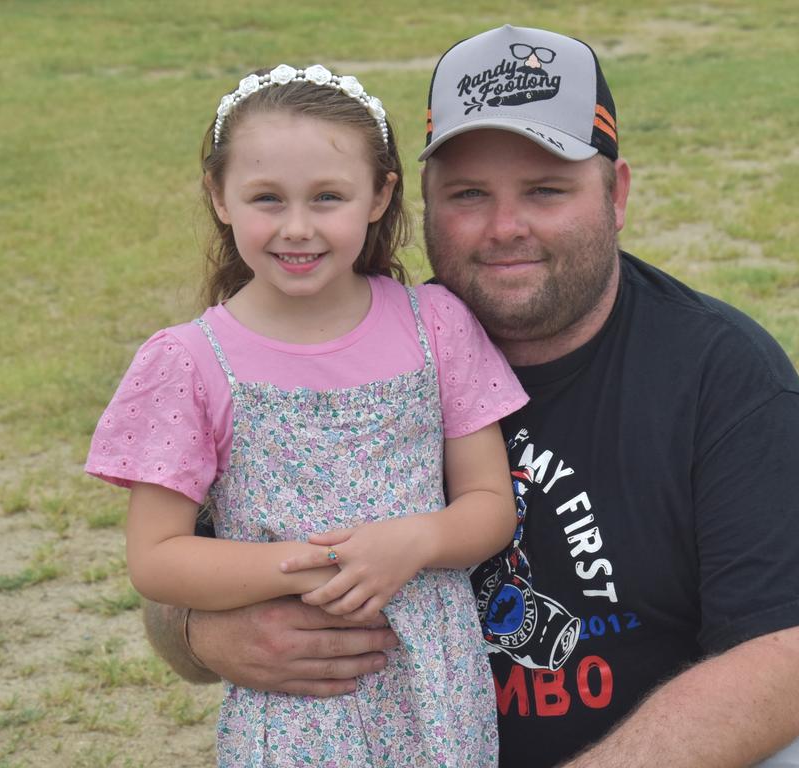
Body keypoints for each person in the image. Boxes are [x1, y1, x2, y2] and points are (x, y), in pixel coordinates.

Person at [143, 25, 799, 768]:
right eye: (469, 194)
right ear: (416, 201)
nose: (505, 228)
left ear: (615, 194)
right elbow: (171, 571)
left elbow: (780, 673)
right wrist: (207, 634)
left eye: (546, 190)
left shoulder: (723, 373)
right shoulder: (354, 355)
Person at [85, 63, 530, 766]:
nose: (297, 228)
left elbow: (489, 505)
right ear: (219, 196)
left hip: (438, 693)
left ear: (380, 195)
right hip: (296, 705)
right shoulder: (188, 362)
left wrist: (413, 542)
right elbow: (157, 559)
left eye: (328, 197)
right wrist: (316, 566)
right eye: (267, 198)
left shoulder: (434, 325)